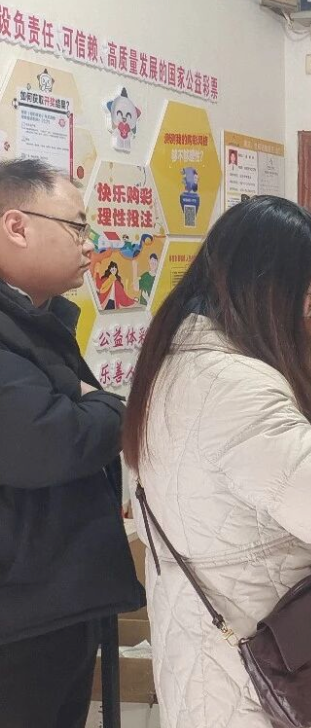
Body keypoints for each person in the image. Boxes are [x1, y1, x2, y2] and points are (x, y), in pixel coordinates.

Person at [123, 197, 311, 728]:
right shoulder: (234, 383)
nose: (310, 308)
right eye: (310, 293)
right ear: (270, 290)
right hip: (266, 648)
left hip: (218, 637)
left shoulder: (179, 358)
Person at [0, 159, 145, 728]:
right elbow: (53, 442)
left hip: (54, 599)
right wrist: (110, 406)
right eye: (77, 227)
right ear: (17, 226)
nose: (90, 245)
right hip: (21, 612)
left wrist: (93, 403)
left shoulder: (34, 319)